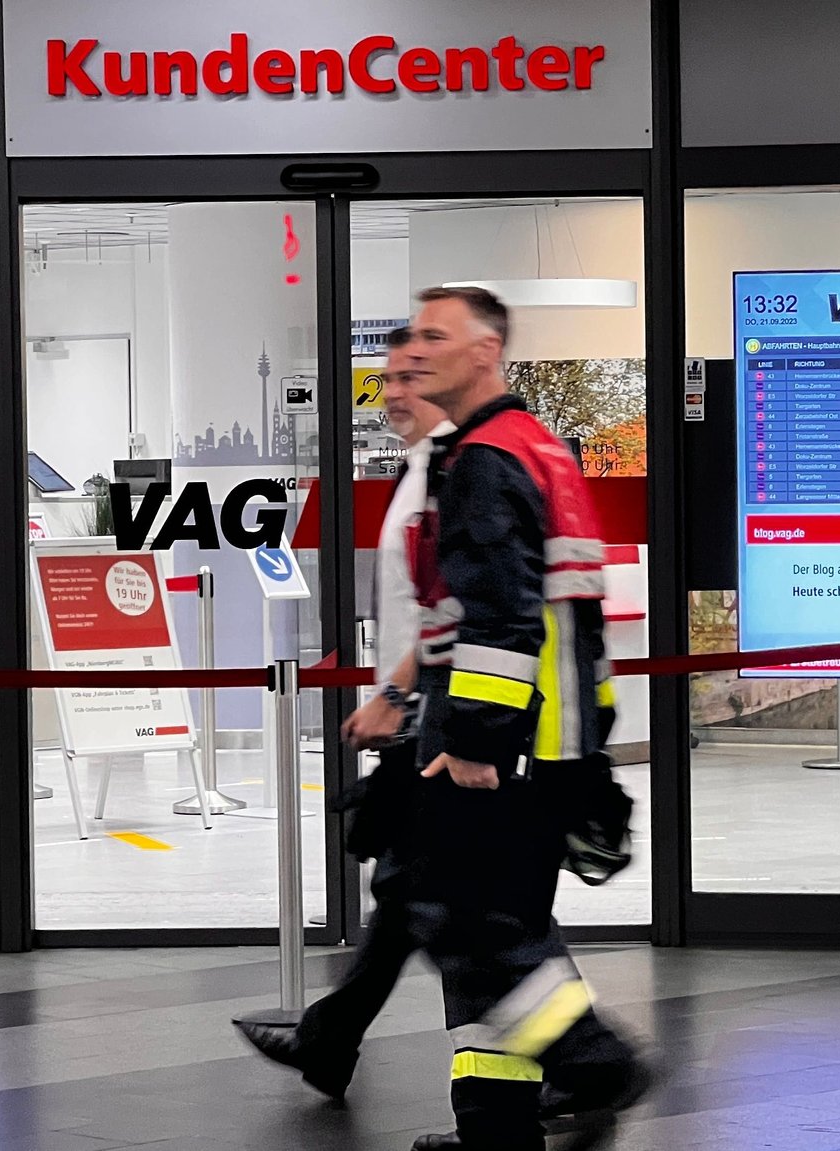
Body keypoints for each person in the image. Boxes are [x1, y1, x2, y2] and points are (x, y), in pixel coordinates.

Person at [400, 285, 646, 1151]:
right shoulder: (536, 447)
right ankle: (497, 1121)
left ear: (484, 351)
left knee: (468, 927)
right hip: (557, 738)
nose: (417, 349)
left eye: (436, 335)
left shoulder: (486, 459)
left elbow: (500, 618)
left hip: (511, 747)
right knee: (494, 930)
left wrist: (473, 743)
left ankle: (592, 1058)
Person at [240, 327, 451, 1098]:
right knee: (406, 895)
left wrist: (395, 695)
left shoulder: (455, 473)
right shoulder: (418, 468)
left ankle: (576, 1063)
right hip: (420, 718)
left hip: (439, 720)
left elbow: (449, 612)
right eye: (388, 379)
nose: (392, 393)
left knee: (457, 913)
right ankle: (330, 1039)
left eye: (410, 378)